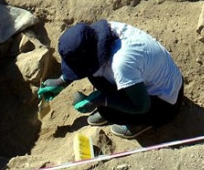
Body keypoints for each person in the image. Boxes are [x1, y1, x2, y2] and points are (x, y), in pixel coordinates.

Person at [37, 20, 184, 139]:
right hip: (146, 80)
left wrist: (102, 100)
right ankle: (111, 107)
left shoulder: (122, 63)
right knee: (94, 75)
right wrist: (62, 81)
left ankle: (139, 123)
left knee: (111, 111)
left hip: (165, 103)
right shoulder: (99, 35)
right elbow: (84, 63)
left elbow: (141, 106)